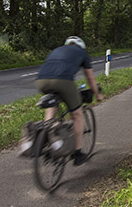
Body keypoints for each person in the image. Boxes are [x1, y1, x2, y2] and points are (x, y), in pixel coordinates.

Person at [34, 36, 104, 164]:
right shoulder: (82, 53)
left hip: (41, 81)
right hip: (63, 81)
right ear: (81, 46)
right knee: (77, 114)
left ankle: (47, 132)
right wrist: (97, 94)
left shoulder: (56, 50)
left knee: (52, 104)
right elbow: (90, 78)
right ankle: (77, 154)